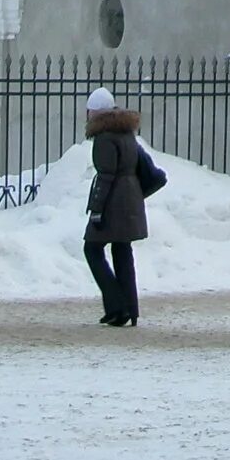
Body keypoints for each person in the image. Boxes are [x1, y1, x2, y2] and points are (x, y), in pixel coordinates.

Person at [82, 89, 151, 327]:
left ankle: (116, 304)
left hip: (113, 203)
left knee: (92, 249)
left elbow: (105, 176)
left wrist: (96, 209)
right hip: (130, 199)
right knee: (122, 252)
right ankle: (130, 308)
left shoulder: (104, 137)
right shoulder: (126, 133)